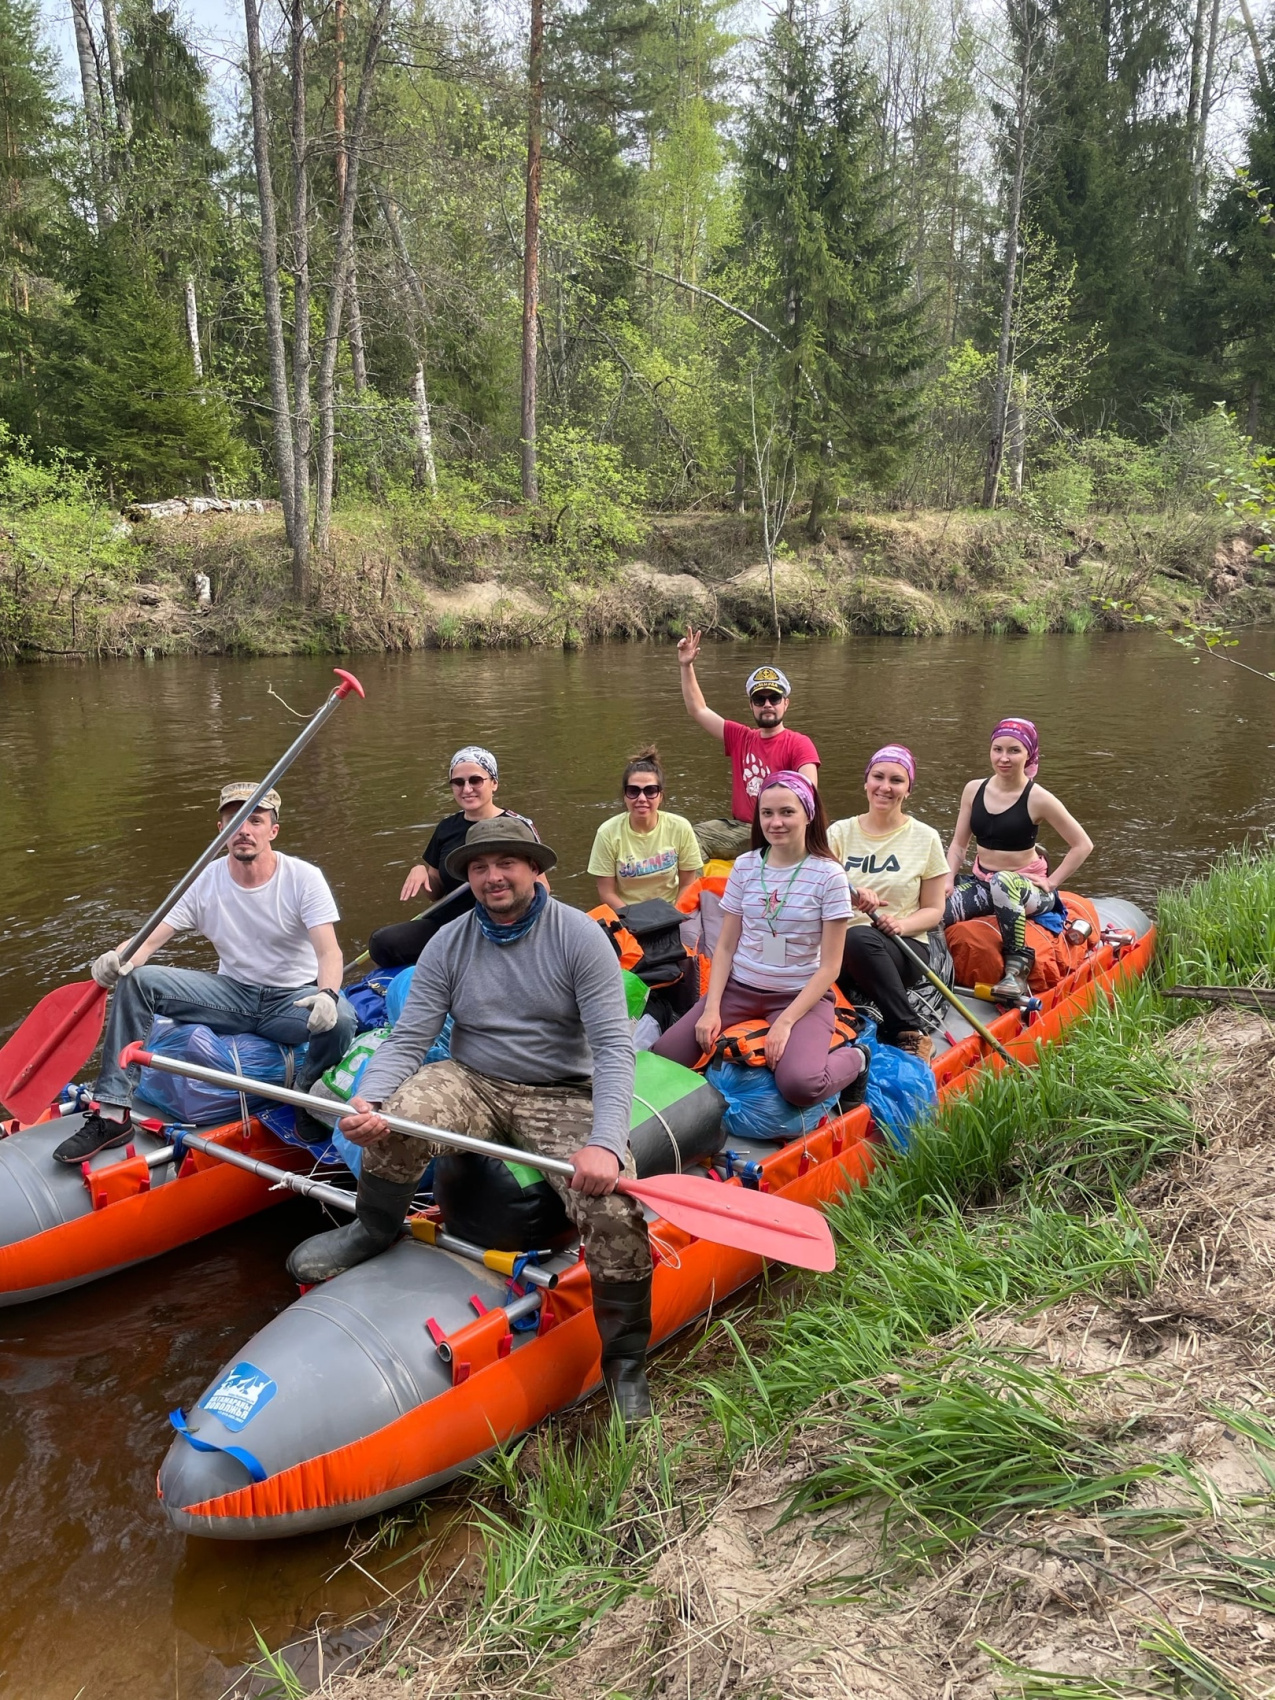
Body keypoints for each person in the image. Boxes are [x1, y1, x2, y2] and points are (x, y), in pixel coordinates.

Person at [287, 815, 656, 1424]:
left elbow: (615, 1050)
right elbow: (409, 1038)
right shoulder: (449, 942)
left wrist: (606, 1144)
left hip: (562, 1091)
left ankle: (625, 1365)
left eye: (507, 863)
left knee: (613, 1209)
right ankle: (374, 1229)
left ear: (535, 869)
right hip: (475, 1079)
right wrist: (371, 1101)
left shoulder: (579, 938)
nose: (493, 877)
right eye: (480, 868)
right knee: (402, 1116)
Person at [54, 783, 357, 1165]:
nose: (244, 829)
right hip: (231, 996)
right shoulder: (205, 879)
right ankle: (113, 1112)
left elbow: (329, 951)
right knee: (137, 979)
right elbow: (148, 943)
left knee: (342, 1019)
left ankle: (306, 1095)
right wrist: (116, 957)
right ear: (221, 829)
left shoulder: (303, 878)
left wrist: (327, 994)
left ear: (273, 831)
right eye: (234, 820)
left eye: (255, 820)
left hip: (289, 1000)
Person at [652, 772, 867, 1109]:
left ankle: (858, 1059)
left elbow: (830, 967)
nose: (775, 822)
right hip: (740, 988)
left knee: (799, 1085)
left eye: (787, 812)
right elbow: (724, 947)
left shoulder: (829, 876)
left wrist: (785, 1023)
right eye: (767, 813)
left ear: (808, 814)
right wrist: (711, 1009)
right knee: (665, 1057)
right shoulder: (745, 866)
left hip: (799, 994)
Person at [944, 718, 1094, 1000]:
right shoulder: (973, 789)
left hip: (1029, 891)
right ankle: (937, 970)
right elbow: (958, 845)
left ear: (1029, 755)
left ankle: (1016, 968)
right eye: (997, 749)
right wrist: (948, 879)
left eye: (1014, 750)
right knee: (935, 908)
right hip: (984, 883)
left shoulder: (1038, 798)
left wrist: (1051, 882)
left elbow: (1082, 844)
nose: (1004, 758)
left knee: (1003, 881)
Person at [368, 745, 540, 969]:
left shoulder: (518, 826)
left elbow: (541, 887)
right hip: (452, 924)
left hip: (502, 921)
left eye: (475, 780)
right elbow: (436, 893)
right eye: (458, 782)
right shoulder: (446, 827)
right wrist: (421, 872)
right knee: (383, 943)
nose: (466, 789)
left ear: (494, 783)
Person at [829, 745, 949, 1062]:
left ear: (908, 789)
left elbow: (935, 910)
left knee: (859, 938)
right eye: (878, 777)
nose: (885, 787)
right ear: (866, 782)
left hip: (901, 946)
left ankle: (910, 1031)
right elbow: (815, 891)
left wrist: (901, 924)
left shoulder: (925, 838)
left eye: (896, 780)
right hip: (836, 944)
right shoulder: (839, 832)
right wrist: (850, 894)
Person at [676, 630, 820, 861]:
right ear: (751, 705)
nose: (767, 705)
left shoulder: (799, 744)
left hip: (778, 829)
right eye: (759, 699)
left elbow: (809, 794)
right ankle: (698, 892)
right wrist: (686, 666)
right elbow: (698, 709)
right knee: (686, 837)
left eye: (774, 698)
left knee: (695, 836)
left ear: (786, 703)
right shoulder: (741, 737)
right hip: (742, 828)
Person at [588, 745, 703, 910]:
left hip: (671, 911)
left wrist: (673, 916)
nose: (641, 798)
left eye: (650, 791)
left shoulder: (681, 827)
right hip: (628, 914)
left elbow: (687, 884)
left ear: (660, 796)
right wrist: (635, 920)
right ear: (625, 796)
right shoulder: (607, 833)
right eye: (633, 791)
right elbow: (607, 893)